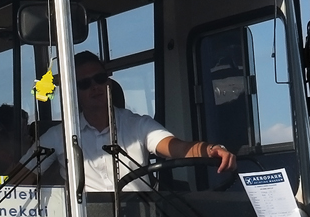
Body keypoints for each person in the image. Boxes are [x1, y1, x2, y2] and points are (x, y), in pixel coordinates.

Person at [39, 52, 235, 192]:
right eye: (84, 83)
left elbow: (176, 147)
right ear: (73, 92)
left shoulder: (139, 125)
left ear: (108, 82)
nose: (95, 87)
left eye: (99, 79)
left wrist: (212, 149)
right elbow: (23, 176)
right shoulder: (57, 136)